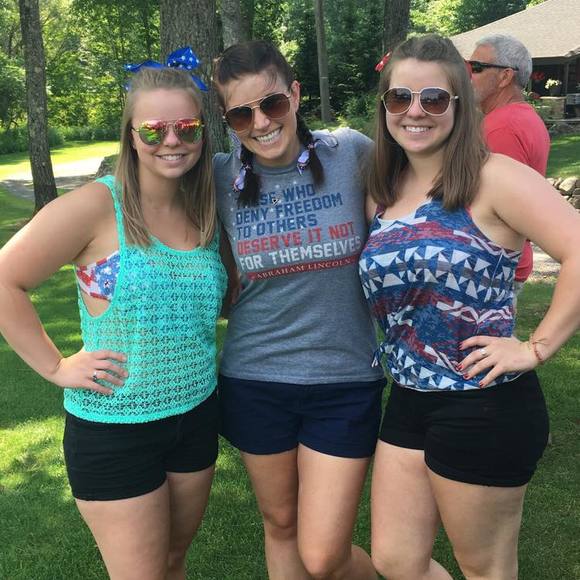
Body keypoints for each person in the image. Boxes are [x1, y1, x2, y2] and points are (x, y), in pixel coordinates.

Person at [360, 34, 580, 580]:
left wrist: (536, 348)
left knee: (485, 568)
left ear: (459, 104)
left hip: (483, 402)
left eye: (433, 98)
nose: (415, 111)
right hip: (407, 396)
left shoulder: (494, 176)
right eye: (400, 97)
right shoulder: (384, 188)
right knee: (396, 560)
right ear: (384, 105)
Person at [0, 64, 226, 580]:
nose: (172, 140)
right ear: (131, 135)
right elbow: (5, 279)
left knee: (173, 563)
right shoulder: (99, 206)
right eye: (154, 130)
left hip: (196, 416)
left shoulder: (204, 208)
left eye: (187, 128)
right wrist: (56, 367)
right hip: (115, 429)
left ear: (202, 132)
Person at [212, 40, 385, 579]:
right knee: (281, 523)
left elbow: (421, 193)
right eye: (242, 114)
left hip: (345, 379)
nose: (261, 123)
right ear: (228, 121)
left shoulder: (351, 153)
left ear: (295, 94)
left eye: (272, 104)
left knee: (324, 553)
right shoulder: (216, 177)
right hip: (254, 379)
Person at [469, 33, 551, 293]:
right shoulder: (525, 118)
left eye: (476, 67)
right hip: (507, 261)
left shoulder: (500, 127)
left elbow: (500, 207)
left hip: (492, 266)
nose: (468, 75)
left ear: (505, 77)